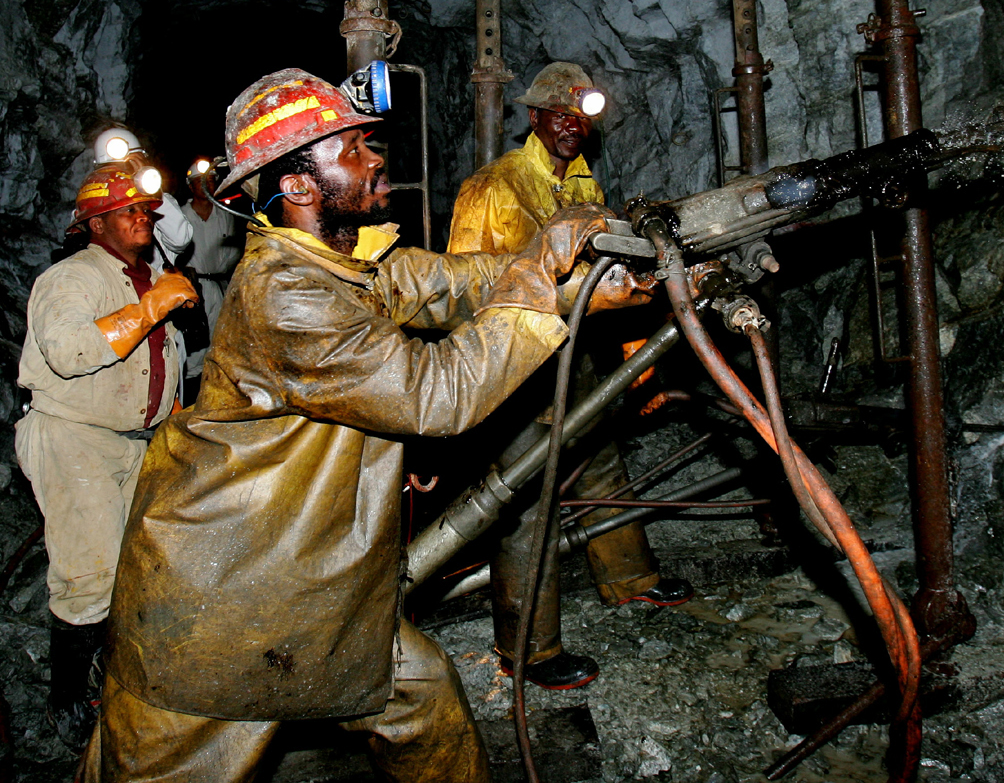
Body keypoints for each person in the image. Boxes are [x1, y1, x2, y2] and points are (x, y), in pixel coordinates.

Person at [80, 68, 652, 781]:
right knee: (148, 768)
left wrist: (586, 287)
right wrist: (541, 266)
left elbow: (448, 282)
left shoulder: (337, 267)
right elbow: (439, 392)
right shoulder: (284, 295)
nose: (375, 157)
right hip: (218, 593)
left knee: (424, 703)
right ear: (296, 187)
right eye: (349, 150)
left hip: (312, 575)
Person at [449, 62, 693, 692]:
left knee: (602, 462)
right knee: (526, 500)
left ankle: (629, 579)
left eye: (581, 116)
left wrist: (639, 358)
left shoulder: (585, 188)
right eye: (559, 114)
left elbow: (617, 281)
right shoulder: (494, 187)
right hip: (518, 364)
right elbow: (459, 288)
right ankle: (528, 648)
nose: (572, 126)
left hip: (580, 355)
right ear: (533, 118)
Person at [14, 165, 197, 749]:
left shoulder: (154, 278)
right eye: (126, 210)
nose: (141, 216)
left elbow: (163, 374)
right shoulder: (71, 278)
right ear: (95, 223)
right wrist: (151, 309)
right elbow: (68, 352)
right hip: (75, 436)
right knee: (90, 576)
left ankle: (120, 685)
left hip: (136, 442)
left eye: (145, 208)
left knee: (141, 570)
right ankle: (69, 705)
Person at [172, 157, 244, 398]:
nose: (206, 186)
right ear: (190, 186)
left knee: (223, 344)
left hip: (222, 285)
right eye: (199, 182)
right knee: (194, 349)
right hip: (195, 287)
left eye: (211, 181)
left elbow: (234, 251)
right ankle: (190, 399)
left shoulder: (225, 213)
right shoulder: (180, 216)